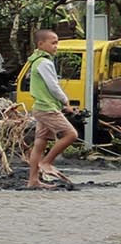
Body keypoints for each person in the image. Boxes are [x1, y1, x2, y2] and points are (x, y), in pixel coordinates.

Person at [26, 29, 78, 189]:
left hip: (40, 108)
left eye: (57, 42)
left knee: (40, 144)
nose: (56, 46)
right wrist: (65, 101)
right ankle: (47, 162)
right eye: (53, 43)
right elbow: (53, 86)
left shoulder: (35, 60)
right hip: (47, 108)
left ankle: (33, 181)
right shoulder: (45, 62)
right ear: (41, 44)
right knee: (71, 134)